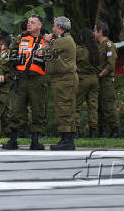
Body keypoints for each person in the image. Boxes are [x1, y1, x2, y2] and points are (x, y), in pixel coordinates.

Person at [3, 15, 47, 150]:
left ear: (39, 26)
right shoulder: (21, 38)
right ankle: (13, 140)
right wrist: (6, 73)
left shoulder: (47, 41)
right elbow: (10, 56)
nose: (29, 25)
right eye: (28, 22)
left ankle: (35, 141)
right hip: (21, 79)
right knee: (16, 110)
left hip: (37, 80)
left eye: (33, 23)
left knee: (37, 110)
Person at [44, 17, 78, 150]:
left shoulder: (63, 41)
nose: (52, 28)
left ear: (59, 27)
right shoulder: (62, 40)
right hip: (62, 79)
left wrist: (47, 41)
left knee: (65, 107)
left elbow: (44, 53)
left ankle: (68, 140)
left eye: (54, 26)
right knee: (63, 107)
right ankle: (65, 138)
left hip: (65, 79)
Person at [94, 21, 118, 138]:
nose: (94, 33)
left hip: (106, 80)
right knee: (99, 106)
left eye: (95, 30)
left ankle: (115, 130)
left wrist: (100, 75)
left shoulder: (109, 45)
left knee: (108, 105)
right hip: (98, 80)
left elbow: (110, 65)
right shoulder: (98, 46)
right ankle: (101, 130)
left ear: (100, 32)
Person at [75, 28, 100, 138]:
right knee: (93, 106)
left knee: (77, 105)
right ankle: (93, 131)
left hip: (82, 78)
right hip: (94, 79)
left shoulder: (79, 50)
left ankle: (76, 129)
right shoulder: (95, 49)